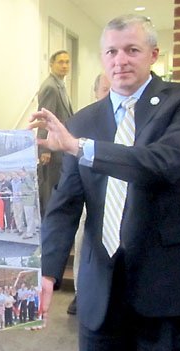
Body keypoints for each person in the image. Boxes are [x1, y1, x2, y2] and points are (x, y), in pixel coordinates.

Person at [30, 14, 180, 351]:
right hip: (101, 290)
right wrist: (48, 272)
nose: (121, 60)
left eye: (132, 50)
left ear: (153, 54)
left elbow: (163, 162)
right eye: (112, 52)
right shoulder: (83, 121)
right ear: (103, 58)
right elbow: (65, 206)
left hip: (168, 289)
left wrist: (82, 148)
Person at [68, 72, 112, 316]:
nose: (109, 95)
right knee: (83, 240)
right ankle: (80, 292)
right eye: (105, 90)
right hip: (91, 197)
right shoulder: (84, 122)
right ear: (95, 93)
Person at [37, 49, 74, 218]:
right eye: (61, 62)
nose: (65, 65)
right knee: (50, 194)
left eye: (67, 62)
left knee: (57, 192)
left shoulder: (60, 85)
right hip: (52, 151)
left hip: (60, 148)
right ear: (51, 64)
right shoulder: (51, 87)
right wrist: (45, 149)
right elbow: (44, 118)